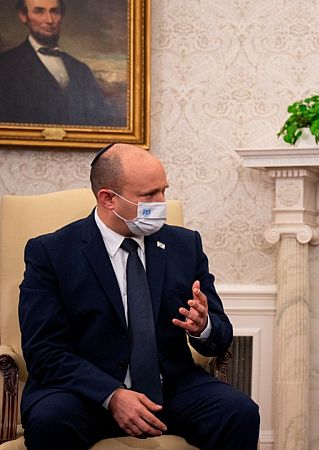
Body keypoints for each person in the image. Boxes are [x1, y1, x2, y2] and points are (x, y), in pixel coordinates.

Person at [18, 143, 260, 449]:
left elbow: (221, 337)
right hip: (83, 394)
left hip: (169, 388)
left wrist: (204, 326)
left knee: (239, 412)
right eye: (149, 195)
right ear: (108, 198)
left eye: (163, 191)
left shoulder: (185, 245)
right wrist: (113, 395)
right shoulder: (51, 253)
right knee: (50, 420)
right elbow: (44, 351)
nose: (162, 203)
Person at [0, 0, 122, 126]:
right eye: (39, 11)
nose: (50, 20)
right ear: (23, 16)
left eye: (55, 11)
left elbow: (101, 120)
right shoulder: (5, 65)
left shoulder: (81, 69)